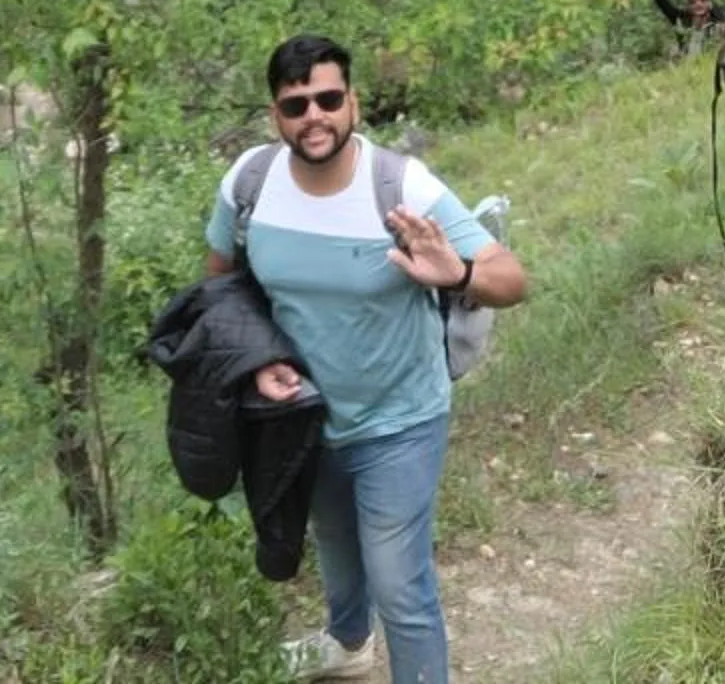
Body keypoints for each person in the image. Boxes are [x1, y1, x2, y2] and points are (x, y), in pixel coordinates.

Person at [204, 36, 529, 684]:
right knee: (334, 543)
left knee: (399, 584)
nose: (314, 116)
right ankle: (350, 643)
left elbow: (511, 279)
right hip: (305, 418)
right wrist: (257, 361)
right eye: (296, 104)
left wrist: (459, 271)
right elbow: (219, 291)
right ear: (275, 115)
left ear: (353, 102)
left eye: (328, 99)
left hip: (400, 420)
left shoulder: (401, 186)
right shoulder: (250, 183)